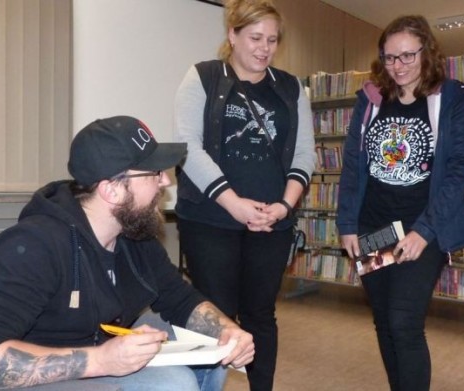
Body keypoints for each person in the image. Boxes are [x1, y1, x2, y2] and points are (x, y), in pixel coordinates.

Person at [0, 115, 255, 391]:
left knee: (207, 361)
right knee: (172, 383)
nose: (165, 180)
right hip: (45, 376)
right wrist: (103, 361)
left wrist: (227, 331)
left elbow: (180, 298)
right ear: (112, 190)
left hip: (98, 353)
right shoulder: (35, 246)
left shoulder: (134, 235)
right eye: (153, 173)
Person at [173, 0, 315, 389]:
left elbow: (304, 154)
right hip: (210, 219)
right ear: (232, 35)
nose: (264, 47)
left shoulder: (290, 87)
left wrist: (284, 206)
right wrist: (233, 203)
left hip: (271, 223)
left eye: (271, 40)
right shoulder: (203, 76)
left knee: (260, 315)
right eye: (255, 37)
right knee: (213, 316)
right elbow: (188, 146)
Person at [336, 15, 464, 391]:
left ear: (427, 53)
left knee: (404, 322)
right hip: (373, 228)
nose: (398, 66)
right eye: (389, 57)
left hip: (421, 228)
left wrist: (425, 230)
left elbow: (459, 171)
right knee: (384, 321)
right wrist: (347, 224)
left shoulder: (451, 100)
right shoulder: (370, 102)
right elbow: (353, 166)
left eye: (407, 56)